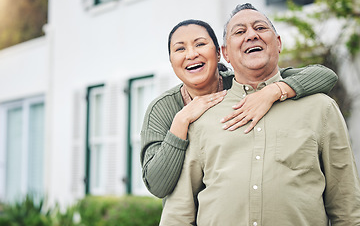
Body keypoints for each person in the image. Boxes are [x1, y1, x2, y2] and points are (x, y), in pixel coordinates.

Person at [159, 3, 360, 225]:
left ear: (279, 43)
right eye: (239, 32)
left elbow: (347, 206)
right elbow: (178, 213)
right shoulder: (202, 116)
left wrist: (276, 91)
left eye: (261, 28)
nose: (252, 35)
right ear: (225, 53)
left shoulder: (321, 109)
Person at [141, 19, 338, 199]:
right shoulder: (162, 108)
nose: (192, 54)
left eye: (200, 44)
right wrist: (181, 121)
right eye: (180, 49)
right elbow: (157, 186)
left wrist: (271, 92)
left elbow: (324, 75)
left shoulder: (241, 82)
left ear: (219, 53)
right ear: (171, 60)